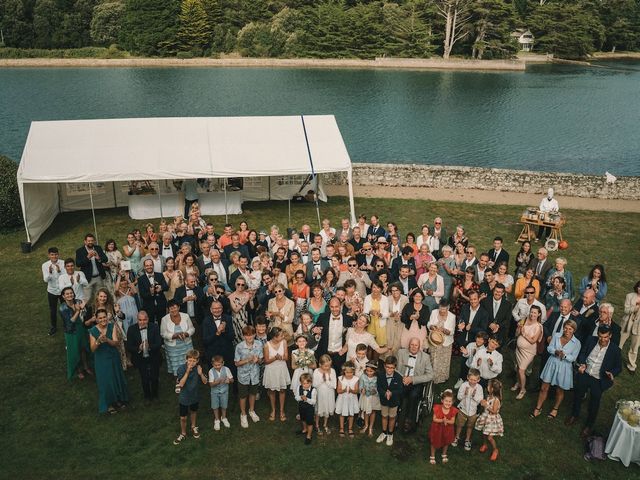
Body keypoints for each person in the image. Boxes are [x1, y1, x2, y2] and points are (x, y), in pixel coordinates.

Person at [566, 325, 622, 437]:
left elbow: (618, 367)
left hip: (599, 379)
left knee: (594, 404)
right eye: (600, 336)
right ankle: (574, 415)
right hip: (585, 374)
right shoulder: (591, 340)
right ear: (598, 335)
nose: (602, 339)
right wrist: (582, 363)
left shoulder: (615, 350)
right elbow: (582, 353)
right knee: (577, 395)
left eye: (605, 337)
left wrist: (612, 373)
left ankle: (588, 425)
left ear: (610, 336)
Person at [531, 320, 581, 419]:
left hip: (564, 367)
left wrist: (564, 355)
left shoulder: (576, 343)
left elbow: (573, 358)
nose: (567, 330)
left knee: (559, 390)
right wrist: (555, 352)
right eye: (565, 328)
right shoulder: (557, 335)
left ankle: (555, 409)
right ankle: (538, 407)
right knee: (544, 387)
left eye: (570, 329)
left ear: (574, 330)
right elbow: (549, 348)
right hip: (552, 363)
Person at [89, 309, 129, 414]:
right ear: (97, 319)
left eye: (104, 317)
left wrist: (107, 340)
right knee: (105, 381)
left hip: (113, 356)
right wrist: (98, 342)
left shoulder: (112, 326)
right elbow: (92, 349)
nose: (103, 319)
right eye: (100, 318)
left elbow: (116, 343)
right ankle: (109, 403)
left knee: (116, 377)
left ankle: (118, 400)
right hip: (101, 359)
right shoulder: (93, 330)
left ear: (107, 317)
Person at [397, 338, 434, 433]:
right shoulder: (401, 353)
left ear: (419, 347)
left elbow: (430, 375)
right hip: (402, 379)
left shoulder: (425, 357)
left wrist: (412, 379)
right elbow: (395, 368)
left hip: (416, 382)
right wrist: (402, 378)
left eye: (416, 345)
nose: (413, 347)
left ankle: (409, 420)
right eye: (412, 344)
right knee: (398, 392)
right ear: (409, 345)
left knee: (413, 396)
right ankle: (396, 416)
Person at [173, 349, 208, 445]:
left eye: (194, 361)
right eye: (190, 360)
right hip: (184, 397)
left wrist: (201, 374)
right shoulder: (181, 369)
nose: (191, 363)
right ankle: (183, 433)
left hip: (194, 396)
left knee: (193, 411)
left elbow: (205, 382)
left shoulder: (198, 368)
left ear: (197, 361)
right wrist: (187, 372)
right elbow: (181, 384)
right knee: (183, 417)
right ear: (186, 360)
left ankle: (193, 426)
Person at [126, 311, 162, 401]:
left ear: (148, 319)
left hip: (153, 356)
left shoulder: (155, 327)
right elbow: (129, 346)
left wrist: (150, 346)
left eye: (144, 320)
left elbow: (159, 343)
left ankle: (155, 395)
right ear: (137, 320)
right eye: (140, 320)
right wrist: (138, 348)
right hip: (140, 358)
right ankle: (147, 396)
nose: (142, 322)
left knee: (154, 377)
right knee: (144, 378)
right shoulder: (131, 329)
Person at [59, 286, 91, 380]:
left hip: (81, 328)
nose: (70, 295)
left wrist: (84, 308)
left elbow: (84, 314)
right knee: (75, 351)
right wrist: (78, 310)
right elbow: (70, 322)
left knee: (83, 348)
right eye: (67, 294)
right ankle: (79, 370)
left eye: (71, 293)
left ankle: (86, 366)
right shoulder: (62, 308)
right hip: (71, 332)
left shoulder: (78, 301)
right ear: (63, 296)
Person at [234, 325, 263, 428]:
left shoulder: (259, 344)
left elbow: (261, 360)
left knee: (253, 393)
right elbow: (236, 363)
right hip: (243, 375)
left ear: (255, 335)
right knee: (243, 395)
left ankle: (251, 411)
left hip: (254, 374)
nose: (249, 337)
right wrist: (247, 360)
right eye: (247, 335)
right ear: (243, 336)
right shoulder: (239, 347)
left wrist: (257, 360)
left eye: (251, 335)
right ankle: (243, 414)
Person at [513, 305, 543, 400]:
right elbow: (517, 334)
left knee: (522, 370)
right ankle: (518, 382)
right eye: (531, 312)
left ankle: (523, 389)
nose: (532, 314)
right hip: (519, 350)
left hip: (528, 352)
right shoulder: (524, 320)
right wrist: (518, 329)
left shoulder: (538, 326)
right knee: (518, 367)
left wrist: (524, 333)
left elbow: (533, 341)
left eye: (535, 312)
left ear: (539, 314)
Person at [263, 327, 291, 422]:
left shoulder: (284, 342)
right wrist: (275, 358)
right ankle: (273, 410)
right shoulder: (267, 345)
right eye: (281, 336)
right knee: (272, 391)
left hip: (281, 369)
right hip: (271, 370)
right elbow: (266, 361)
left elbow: (287, 357)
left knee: (282, 390)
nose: (283, 337)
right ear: (274, 337)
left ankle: (282, 410)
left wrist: (281, 357)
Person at [161, 300, 195, 377]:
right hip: (172, 347)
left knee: (188, 360)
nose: (173, 310)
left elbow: (192, 329)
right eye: (171, 308)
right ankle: (178, 377)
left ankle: (189, 374)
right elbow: (163, 334)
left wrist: (186, 334)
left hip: (186, 345)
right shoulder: (164, 319)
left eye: (175, 307)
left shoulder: (185, 316)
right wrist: (174, 336)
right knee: (176, 363)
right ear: (168, 309)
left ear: (179, 307)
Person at [452, 368, 483, 452]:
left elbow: (480, 399)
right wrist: (464, 394)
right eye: (471, 379)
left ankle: (467, 439)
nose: (472, 381)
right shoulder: (464, 385)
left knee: (470, 426)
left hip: (473, 411)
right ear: (467, 378)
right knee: (459, 424)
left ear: (478, 380)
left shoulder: (479, 388)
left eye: (475, 380)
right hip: (463, 409)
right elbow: (459, 397)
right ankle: (457, 437)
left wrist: (474, 396)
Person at [376, 355, 403, 447]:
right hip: (384, 400)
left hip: (394, 401)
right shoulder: (380, 375)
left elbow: (400, 390)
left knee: (392, 417)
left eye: (392, 368)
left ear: (395, 367)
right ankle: (384, 432)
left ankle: (390, 434)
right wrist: (384, 393)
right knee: (384, 416)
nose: (389, 369)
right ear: (384, 366)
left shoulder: (399, 377)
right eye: (387, 367)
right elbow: (378, 387)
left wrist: (391, 393)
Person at [427, 300, 456, 384]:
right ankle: (431, 377)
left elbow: (452, 332)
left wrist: (445, 331)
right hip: (434, 340)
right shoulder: (434, 312)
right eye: (441, 308)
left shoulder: (452, 316)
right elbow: (429, 324)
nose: (442, 311)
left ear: (448, 308)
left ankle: (442, 378)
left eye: (444, 309)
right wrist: (432, 326)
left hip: (446, 342)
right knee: (434, 359)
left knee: (444, 361)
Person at [475, 379, 504, 461]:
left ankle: (495, 450)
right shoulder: (489, 397)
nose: (487, 387)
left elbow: (494, 411)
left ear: (492, 389)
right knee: (484, 433)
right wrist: (483, 403)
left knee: (490, 437)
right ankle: (485, 445)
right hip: (486, 417)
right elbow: (486, 404)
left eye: (488, 386)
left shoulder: (496, 400)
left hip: (492, 419)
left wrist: (486, 405)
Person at [76, 233, 109, 303]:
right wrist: (87, 257)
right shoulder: (80, 251)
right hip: (87, 279)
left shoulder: (98, 248)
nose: (90, 242)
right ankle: (89, 313)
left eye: (92, 240)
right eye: (89, 241)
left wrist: (98, 258)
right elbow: (78, 264)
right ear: (85, 241)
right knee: (87, 299)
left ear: (94, 241)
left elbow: (105, 259)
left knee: (100, 298)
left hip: (98, 278)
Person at [428, 389, 458, 465]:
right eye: (446, 401)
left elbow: (452, 421)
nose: (448, 403)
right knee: (434, 441)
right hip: (437, 429)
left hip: (447, 429)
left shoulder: (453, 410)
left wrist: (446, 421)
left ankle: (444, 454)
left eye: (450, 401)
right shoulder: (437, 408)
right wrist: (442, 420)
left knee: (446, 441)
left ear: (452, 402)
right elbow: (434, 419)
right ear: (442, 400)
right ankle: (432, 455)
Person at [138, 258, 169, 324]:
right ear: (144, 267)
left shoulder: (160, 275)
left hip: (161, 305)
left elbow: (166, 287)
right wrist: (151, 293)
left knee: (163, 324)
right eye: (147, 265)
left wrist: (161, 288)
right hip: (149, 307)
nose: (149, 267)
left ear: (153, 265)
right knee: (150, 325)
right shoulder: (141, 279)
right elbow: (142, 295)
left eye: (150, 265)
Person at [481, 283, 512, 347]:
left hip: (500, 332)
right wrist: (489, 324)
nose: (497, 293)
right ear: (493, 291)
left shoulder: (508, 304)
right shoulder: (485, 301)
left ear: (503, 293)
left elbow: (508, 319)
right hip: (486, 330)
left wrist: (498, 326)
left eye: (500, 292)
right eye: (496, 291)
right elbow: (482, 316)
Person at [313, 354, 337, 435]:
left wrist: (326, 380)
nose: (328, 368)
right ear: (320, 364)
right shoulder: (316, 371)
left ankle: (325, 424)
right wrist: (321, 380)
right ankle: (316, 425)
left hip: (329, 393)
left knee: (327, 408)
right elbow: (314, 384)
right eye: (326, 366)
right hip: (320, 393)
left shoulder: (332, 371)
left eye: (329, 365)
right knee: (319, 408)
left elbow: (334, 385)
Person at [208, 355, 234, 431]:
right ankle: (216, 419)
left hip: (224, 391)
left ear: (223, 363)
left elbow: (232, 380)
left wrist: (229, 381)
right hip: (215, 392)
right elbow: (211, 384)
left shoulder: (226, 369)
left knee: (224, 405)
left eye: (219, 365)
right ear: (212, 364)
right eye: (215, 365)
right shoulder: (211, 371)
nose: (217, 366)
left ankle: (224, 417)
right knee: (215, 406)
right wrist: (216, 382)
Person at [335, 361, 360, 438]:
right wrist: (344, 390)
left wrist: (351, 390)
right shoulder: (340, 379)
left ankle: (350, 428)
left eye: (351, 372)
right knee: (342, 414)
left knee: (351, 414)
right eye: (347, 372)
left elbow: (357, 391)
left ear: (353, 371)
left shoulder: (356, 379)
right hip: (343, 399)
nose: (349, 374)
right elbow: (338, 391)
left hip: (352, 399)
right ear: (344, 371)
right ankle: (342, 428)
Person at [43, 246, 64, 335]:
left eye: (56, 254)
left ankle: (67, 324)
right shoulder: (45, 265)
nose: (54, 256)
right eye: (52, 255)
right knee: (53, 310)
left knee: (65, 308)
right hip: (52, 291)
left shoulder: (62, 263)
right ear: (49, 255)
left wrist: (59, 271)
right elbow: (45, 280)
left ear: (58, 254)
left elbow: (65, 276)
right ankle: (53, 327)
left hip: (63, 290)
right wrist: (50, 273)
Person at [620, 280, 640, 373]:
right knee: (619, 342)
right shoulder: (630, 296)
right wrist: (635, 308)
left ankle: (632, 365)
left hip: (638, 327)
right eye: (639, 287)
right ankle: (613, 359)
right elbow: (626, 310)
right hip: (627, 323)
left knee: (634, 347)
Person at [358, 362, 381, 436]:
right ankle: (366, 425)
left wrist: (376, 391)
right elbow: (360, 386)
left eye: (371, 371)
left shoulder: (377, 378)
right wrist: (362, 390)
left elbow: (379, 387)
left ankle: (371, 427)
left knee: (373, 411)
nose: (369, 372)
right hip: (365, 396)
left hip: (373, 397)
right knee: (366, 411)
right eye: (367, 370)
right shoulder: (363, 376)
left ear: (375, 371)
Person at [295, 373, 317, 445]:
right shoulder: (299, 387)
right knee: (303, 419)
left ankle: (309, 436)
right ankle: (304, 429)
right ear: (301, 383)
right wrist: (300, 398)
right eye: (304, 384)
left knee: (310, 422)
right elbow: (296, 397)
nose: (306, 385)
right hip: (301, 407)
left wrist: (306, 399)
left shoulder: (313, 390)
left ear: (311, 382)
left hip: (309, 409)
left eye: (308, 383)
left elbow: (313, 402)